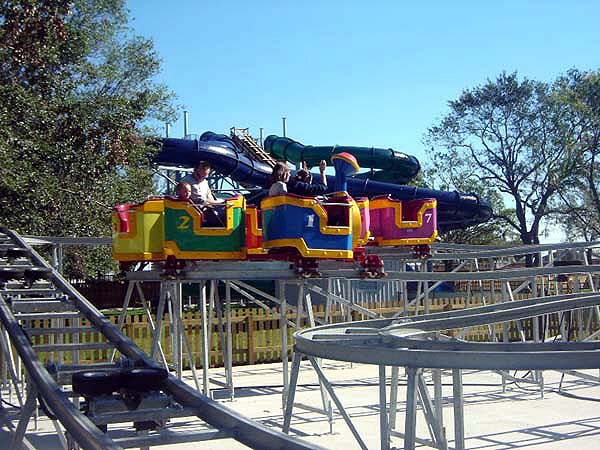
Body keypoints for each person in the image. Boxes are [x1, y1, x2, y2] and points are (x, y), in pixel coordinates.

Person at [181, 161, 225, 226]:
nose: (201, 178)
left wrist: (220, 202)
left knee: (225, 210)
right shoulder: (187, 181)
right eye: (200, 176)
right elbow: (200, 200)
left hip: (206, 208)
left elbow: (209, 197)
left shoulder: (204, 182)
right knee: (219, 214)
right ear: (195, 170)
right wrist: (220, 202)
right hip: (194, 210)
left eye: (205, 176)